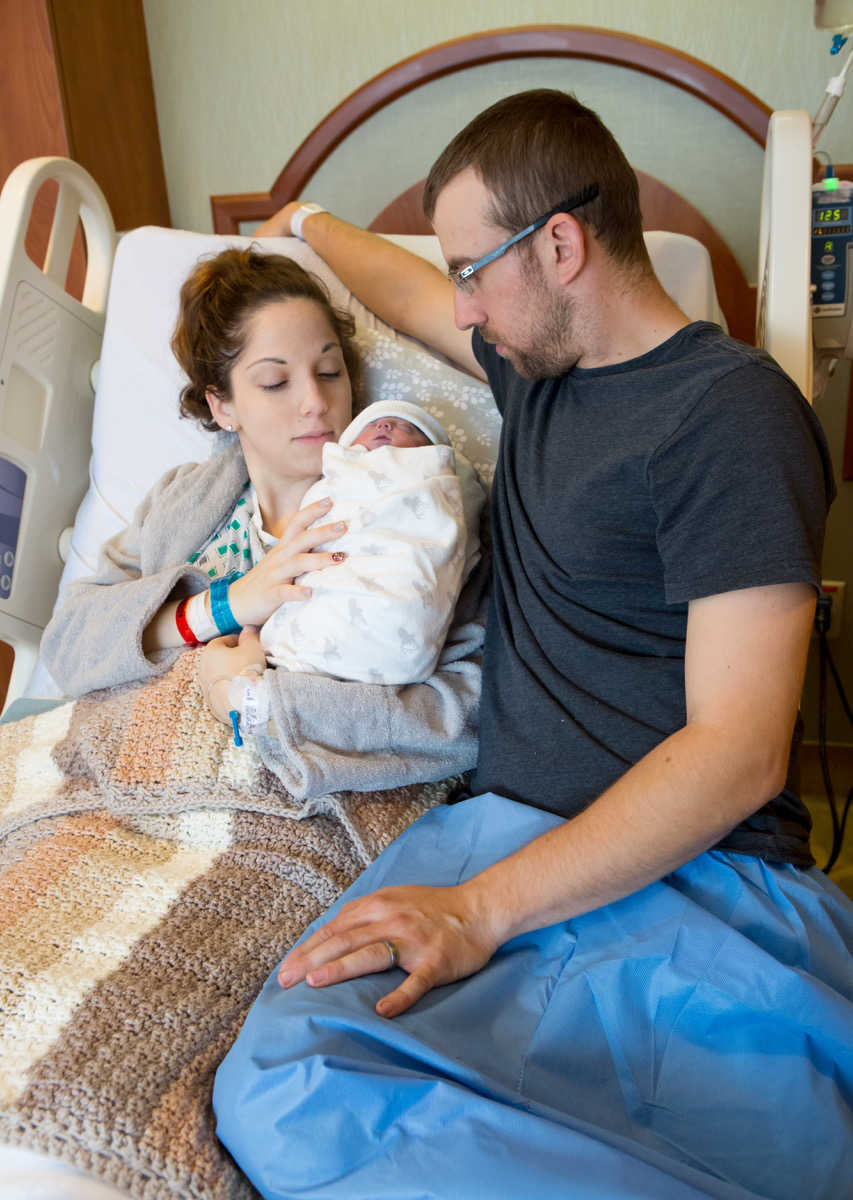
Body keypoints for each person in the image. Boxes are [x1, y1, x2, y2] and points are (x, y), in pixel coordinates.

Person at [213, 90, 853, 1199]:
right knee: (283, 1084)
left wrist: (479, 911)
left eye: (475, 269)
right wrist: (303, 223)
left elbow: (739, 751)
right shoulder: (538, 371)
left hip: (689, 872)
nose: (461, 305)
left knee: (765, 1137)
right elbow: (405, 291)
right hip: (504, 843)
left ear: (559, 245)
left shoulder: (725, 417)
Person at [39, 247, 487, 796]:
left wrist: (254, 706)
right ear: (222, 406)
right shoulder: (183, 505)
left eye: (329, 371)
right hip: (139, 777)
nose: (315, 402)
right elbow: (69, 646)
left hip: (309, 806)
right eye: (276, 382)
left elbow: (467, 710)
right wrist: (228, 605)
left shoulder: (413, 493)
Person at [259, 399, 485, 686]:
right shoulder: (334, 482)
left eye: (409, 428)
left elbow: (455, 546)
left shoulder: (436, 484)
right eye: (371, 424)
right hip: (332, 590)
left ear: (431, 453)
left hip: (399, 599)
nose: (385, 425)